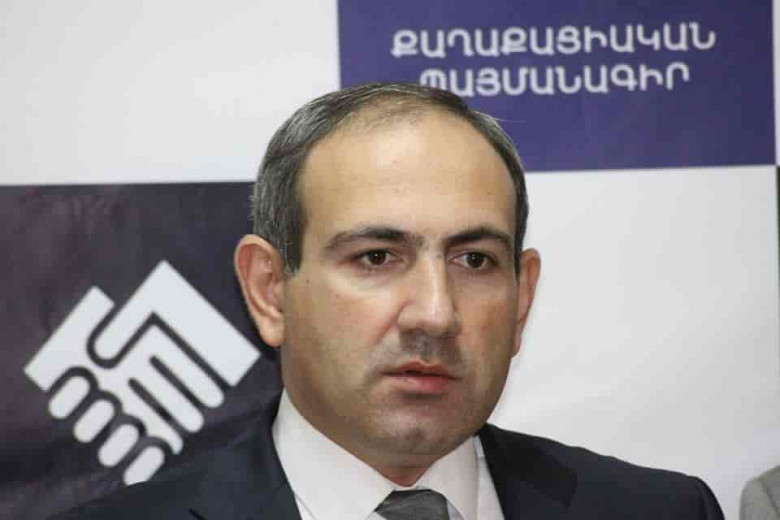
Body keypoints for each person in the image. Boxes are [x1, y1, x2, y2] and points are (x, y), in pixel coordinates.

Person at [57, 83, 724, 519]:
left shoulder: (663, 512)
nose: (435, 313)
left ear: (522, 298)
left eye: (474, 260)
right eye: (376, 257)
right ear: (269, 290)